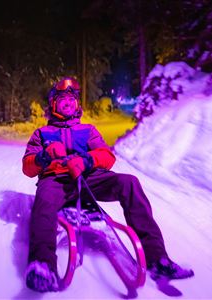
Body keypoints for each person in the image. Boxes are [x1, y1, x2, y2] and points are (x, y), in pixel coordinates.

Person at [21, 77, 194, 292]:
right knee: (44, 199)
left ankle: (157, 258)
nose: (67, 103)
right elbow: (28, 167)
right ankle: (43, 264)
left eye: (71, 100)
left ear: (77, 105)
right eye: (62, 100)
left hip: (89, 178)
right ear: (53, 105)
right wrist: (44, 156)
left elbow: (106, 156)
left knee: (129, 183)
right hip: (56, 181)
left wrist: (87, 160)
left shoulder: (88, 130)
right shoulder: (42, 133)